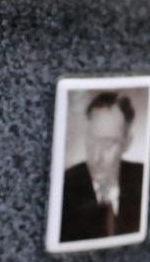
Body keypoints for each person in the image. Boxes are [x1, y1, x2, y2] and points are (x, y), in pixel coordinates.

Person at [60, 91, 144, 242]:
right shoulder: (65, 186)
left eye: (107, 142)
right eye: (92, 139)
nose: (96, 156)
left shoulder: (141, 178)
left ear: (127, 142)